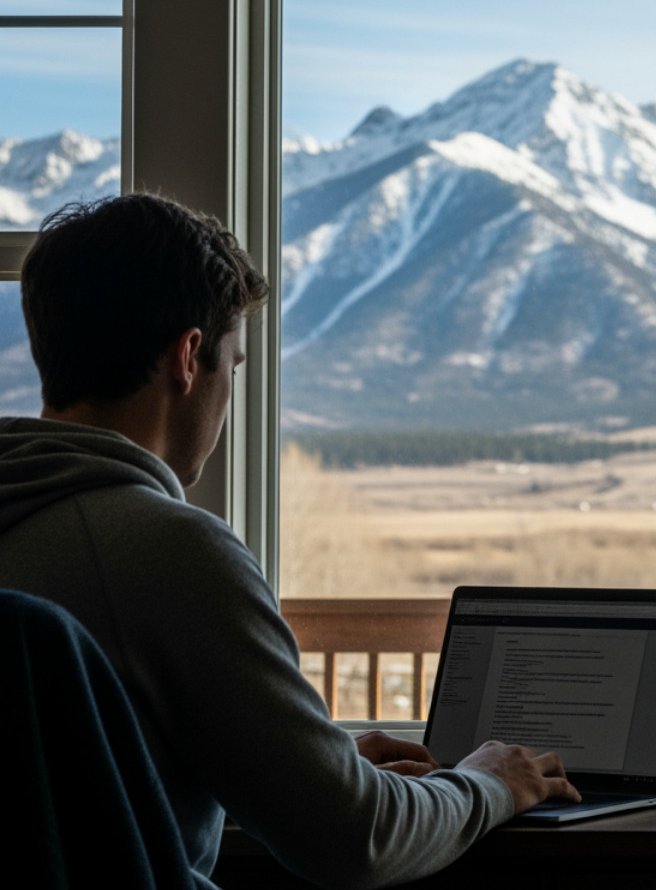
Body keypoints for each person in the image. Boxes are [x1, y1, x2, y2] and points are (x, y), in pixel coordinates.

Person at [0, 193, 578, 889]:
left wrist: (297, 766)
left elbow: (70, 792)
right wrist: (489, 784)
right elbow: (356, 840)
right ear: (189, 358)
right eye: (233, 367)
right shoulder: (167, 552)